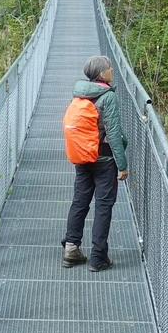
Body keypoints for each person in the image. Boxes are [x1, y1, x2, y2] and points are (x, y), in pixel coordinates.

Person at [61, 54, 130, 272]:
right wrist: (123, 164)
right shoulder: (108, 97)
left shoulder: (80, 94)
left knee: (80, 201)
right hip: (104, 159)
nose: (112, 70)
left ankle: (71, 249)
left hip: (82, 156)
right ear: (102, 74)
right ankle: (98, 258)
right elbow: (114, 132)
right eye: (110, 68)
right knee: (103, 206)